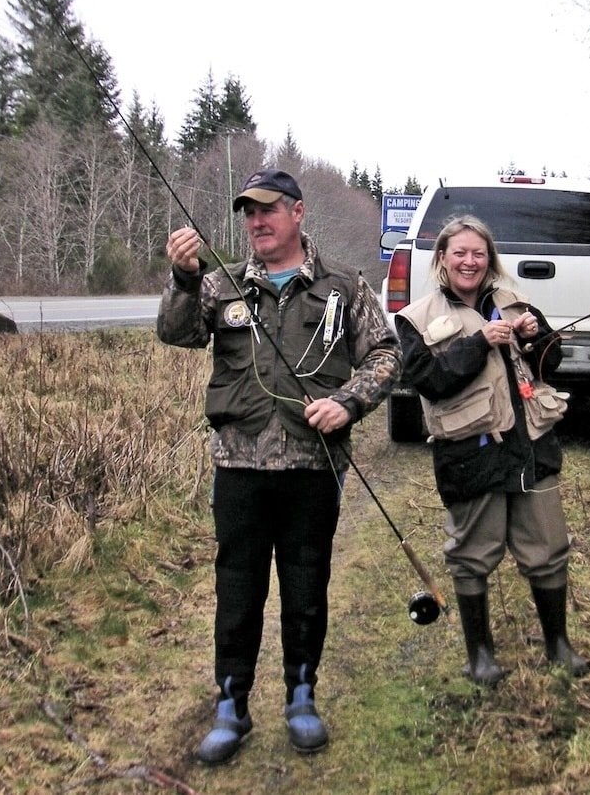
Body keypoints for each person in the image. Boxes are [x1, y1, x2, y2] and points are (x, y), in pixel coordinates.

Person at [157, 168, 401, 762]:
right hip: (237, 466)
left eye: (268, 210)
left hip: (312, 468)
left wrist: (348, 403)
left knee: (305, 586)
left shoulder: (343, 287)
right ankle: (230, 707)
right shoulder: (221, 286)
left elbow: (388, 353)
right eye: (248, 213)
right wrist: (184, 280)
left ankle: (301, 696)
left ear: (298, 213)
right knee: (236, 589)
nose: (257, 222)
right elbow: (175, 333)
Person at [394, 214, 588, 687]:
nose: (469, 261)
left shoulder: (515, 303)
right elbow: (428, 381)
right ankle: (479, 656)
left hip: (530, 446)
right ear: (442, 259)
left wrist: (535, 335)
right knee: (472, 554)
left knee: (547, 548)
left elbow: (551, 364)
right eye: (459, 252)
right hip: (471, 454)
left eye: (478, 253)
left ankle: (558, 647)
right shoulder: (415, 319)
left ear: (489, 260)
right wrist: (479, 341)